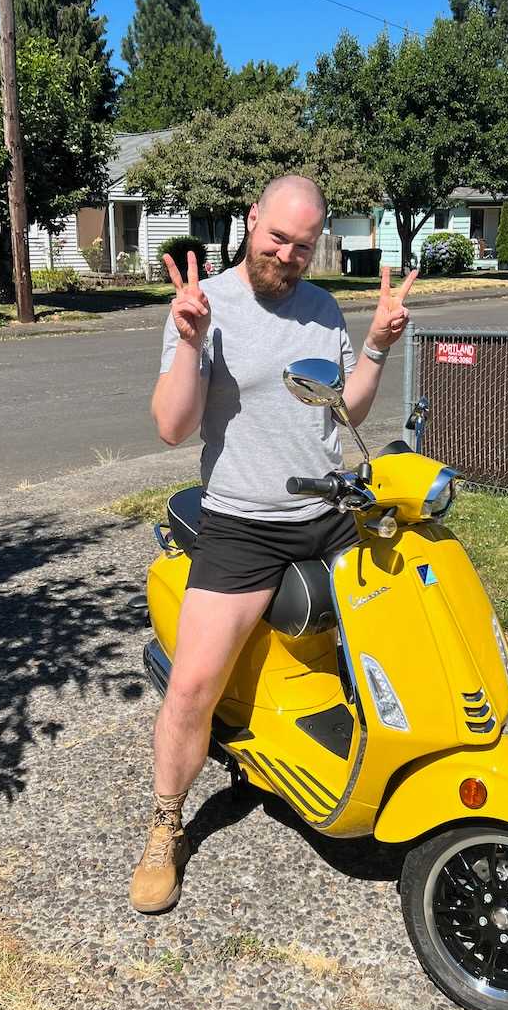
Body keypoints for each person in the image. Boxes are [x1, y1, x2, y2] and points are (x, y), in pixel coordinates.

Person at [130, 174, 417, 913]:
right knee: (194, 686)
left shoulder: (323, 308)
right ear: (252, 220)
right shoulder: (205, 304)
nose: (286, 254)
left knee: (402, 629)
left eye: (302, 243)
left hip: (327, 509)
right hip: (242, 522)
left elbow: (342, 412)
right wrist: (189, 343)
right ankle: (165, 825)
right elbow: (172, 426)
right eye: (276, 237)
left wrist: (378, 347)